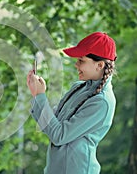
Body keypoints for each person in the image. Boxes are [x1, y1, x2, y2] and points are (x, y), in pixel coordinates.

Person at [27, 32, 117, 174]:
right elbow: (51, 124)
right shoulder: (78, 87)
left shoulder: (102, 102)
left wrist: (40, 96)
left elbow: (59, 135)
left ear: (99, 65)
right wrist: (36, 94)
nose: (76, 65)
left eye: (81, 60)